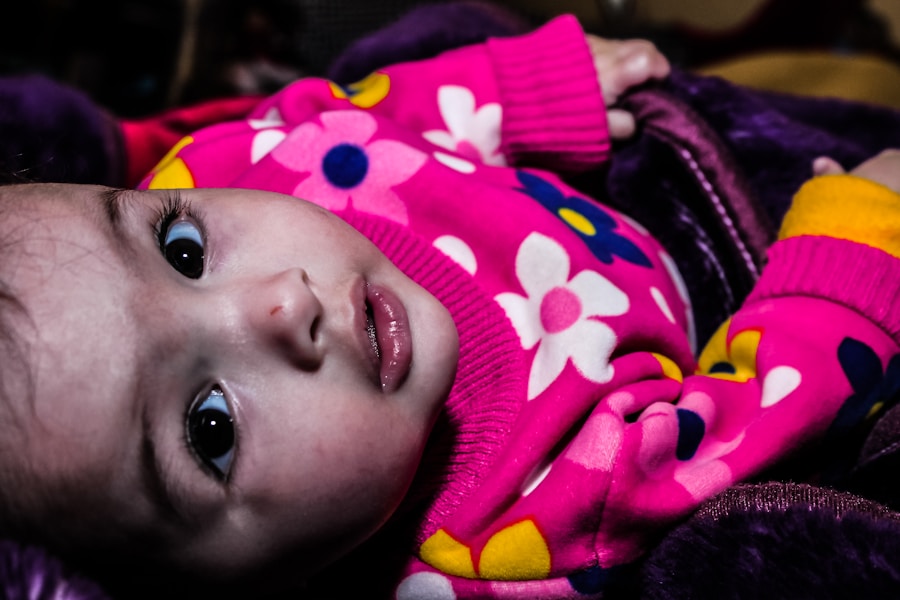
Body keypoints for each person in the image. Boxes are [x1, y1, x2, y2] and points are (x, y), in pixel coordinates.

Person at [0, 13, 899, 599]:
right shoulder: (508, 535)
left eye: (182, 253)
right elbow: (745, 424)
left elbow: (353, 116)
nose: (277, 307)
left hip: (610, 188)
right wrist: (846, 259)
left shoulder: (216, 173)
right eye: (211, 428)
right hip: (732, 283)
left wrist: (525, 91)